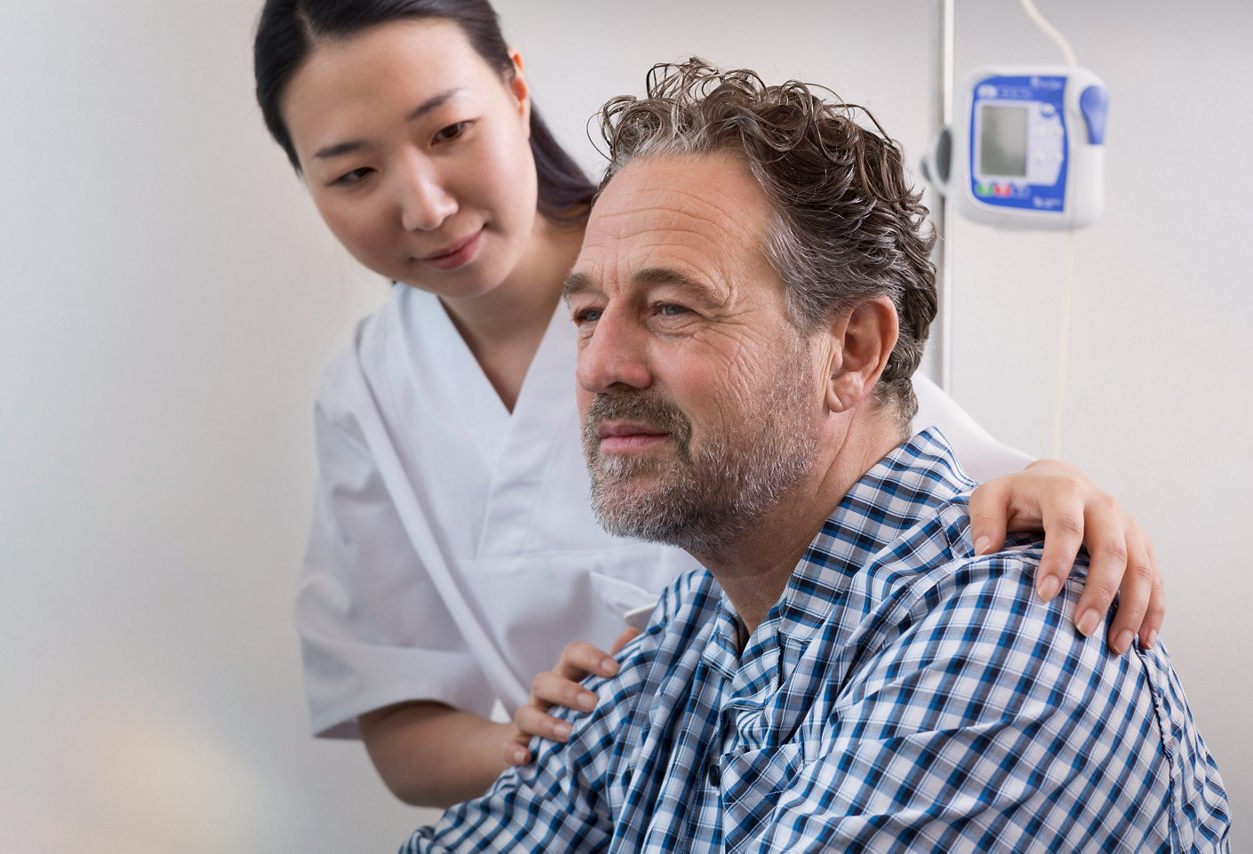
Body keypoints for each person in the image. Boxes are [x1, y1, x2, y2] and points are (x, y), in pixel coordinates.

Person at [252, 0, 1166, 808]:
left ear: (514, 92)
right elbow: (397, 711)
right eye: (352, 174)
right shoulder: (369, 392)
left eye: (447, 130)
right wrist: (554, 746)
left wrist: (1050, 486)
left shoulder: (732, 259)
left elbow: (899, 453)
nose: (425, 204)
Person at [401, 60, 1229, 851]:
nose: (597, 366)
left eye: (674, 308)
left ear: (852, 350)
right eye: (587, 314)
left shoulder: (1012, 648)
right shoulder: (689, 636)